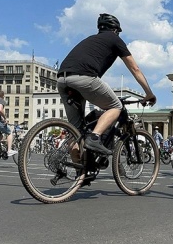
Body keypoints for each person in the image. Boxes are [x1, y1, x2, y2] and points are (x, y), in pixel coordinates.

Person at [57, 13, 156, 156]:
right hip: (84, 78)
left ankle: (81, 176)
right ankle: (95, 136)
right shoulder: (115, 39)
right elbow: (135, 69)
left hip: (62, 79)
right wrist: (149, 93)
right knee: (116, 106)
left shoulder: (90, 39)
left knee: (76, 132)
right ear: (115, 30)